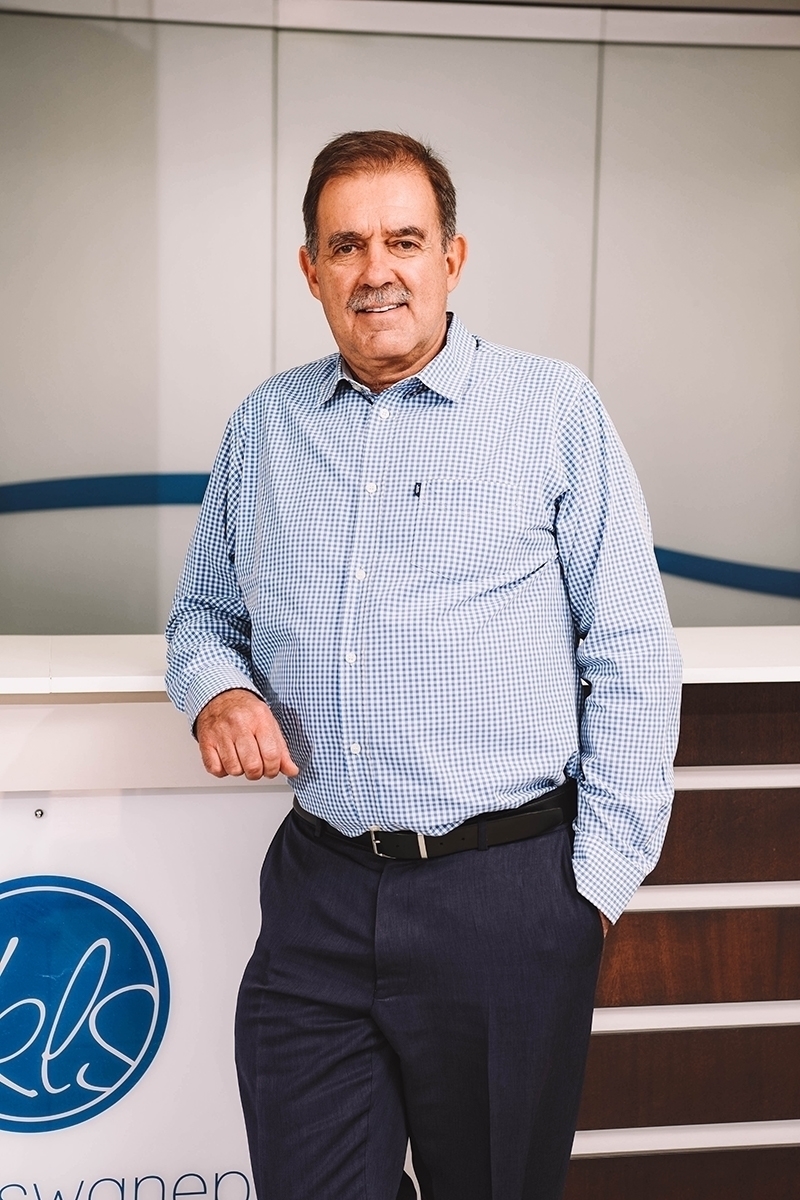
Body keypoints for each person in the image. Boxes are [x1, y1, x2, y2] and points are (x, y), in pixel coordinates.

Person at [165, 130, 682, 1200]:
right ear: (310, 269)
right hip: (318, 891)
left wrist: (595, 886)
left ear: (452, 258)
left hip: (505, 896)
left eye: (404, 240)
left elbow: (632, 648)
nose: (376, 270)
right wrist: (217, 687)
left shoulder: (551, 411)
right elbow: (202, 615)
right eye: (346, 245)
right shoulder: (264, 427)